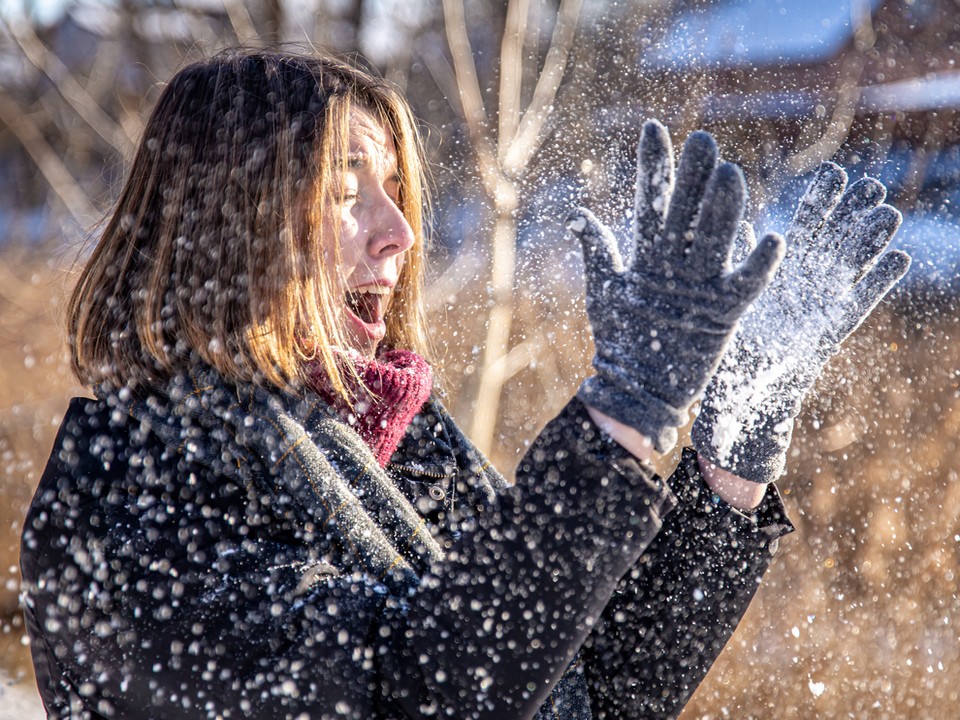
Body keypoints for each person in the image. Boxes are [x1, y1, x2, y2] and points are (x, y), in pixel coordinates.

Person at [19, 48, 909, 720]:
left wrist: (725, 470)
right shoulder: (132, 499)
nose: (399, 232)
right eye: (344, 189)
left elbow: (591, 688)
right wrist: (620, 420)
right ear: (227, 223)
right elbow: (418, 689)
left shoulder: (393, 446)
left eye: (398, 186)